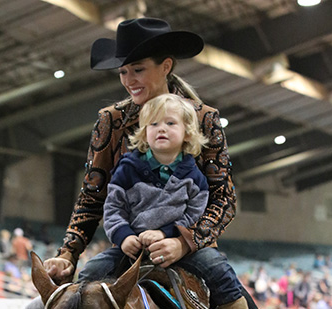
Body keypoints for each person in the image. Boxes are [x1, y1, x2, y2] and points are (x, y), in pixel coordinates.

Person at [38, 17, 253, 308]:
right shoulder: (110, 121)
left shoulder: (204, 118)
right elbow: (92, 197)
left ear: (165, 66)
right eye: (123, 72)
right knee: (84, 285)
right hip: (130, 247)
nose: (128, 80)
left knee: (236, 297)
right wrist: (68, 254)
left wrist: (183, 242)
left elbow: (223, 199)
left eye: (138, 70)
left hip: (193, 249)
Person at [103, 94, 209, 260]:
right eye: (153, 124)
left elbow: (195, 216)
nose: (161, 128)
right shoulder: (126, 169)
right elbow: (113, 208)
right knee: (92, 271)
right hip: (133, 246)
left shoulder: (195, 178)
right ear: (145, 133)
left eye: (170, 123)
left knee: (219, 268)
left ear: (187, 133)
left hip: (178, 247)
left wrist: (165, 233)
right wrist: (124, 236)